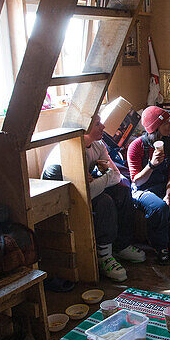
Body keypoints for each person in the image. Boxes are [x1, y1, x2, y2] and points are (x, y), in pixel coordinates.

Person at [42, 115, 146, 282]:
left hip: (88, 190)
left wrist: (99, 178)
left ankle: (122, 244)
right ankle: (103, 255)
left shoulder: (97, 144)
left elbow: (116, 176)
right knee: (105, 201)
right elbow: (85, 193)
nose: (103, 126)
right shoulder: (68, 153)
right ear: (84, 128)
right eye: (97, 124)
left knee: (123, 190)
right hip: (66, 200)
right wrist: (104, 177)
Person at [126, 106, 170, 264]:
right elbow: (136, 181)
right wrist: (151, 164)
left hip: (166, 186)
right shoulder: (136, 147)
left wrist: (168, 195)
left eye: (168, 121)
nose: (169, 125)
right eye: (165, 123)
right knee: (158, 207)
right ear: (154, 127)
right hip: (142, 189)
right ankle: (160, 246)